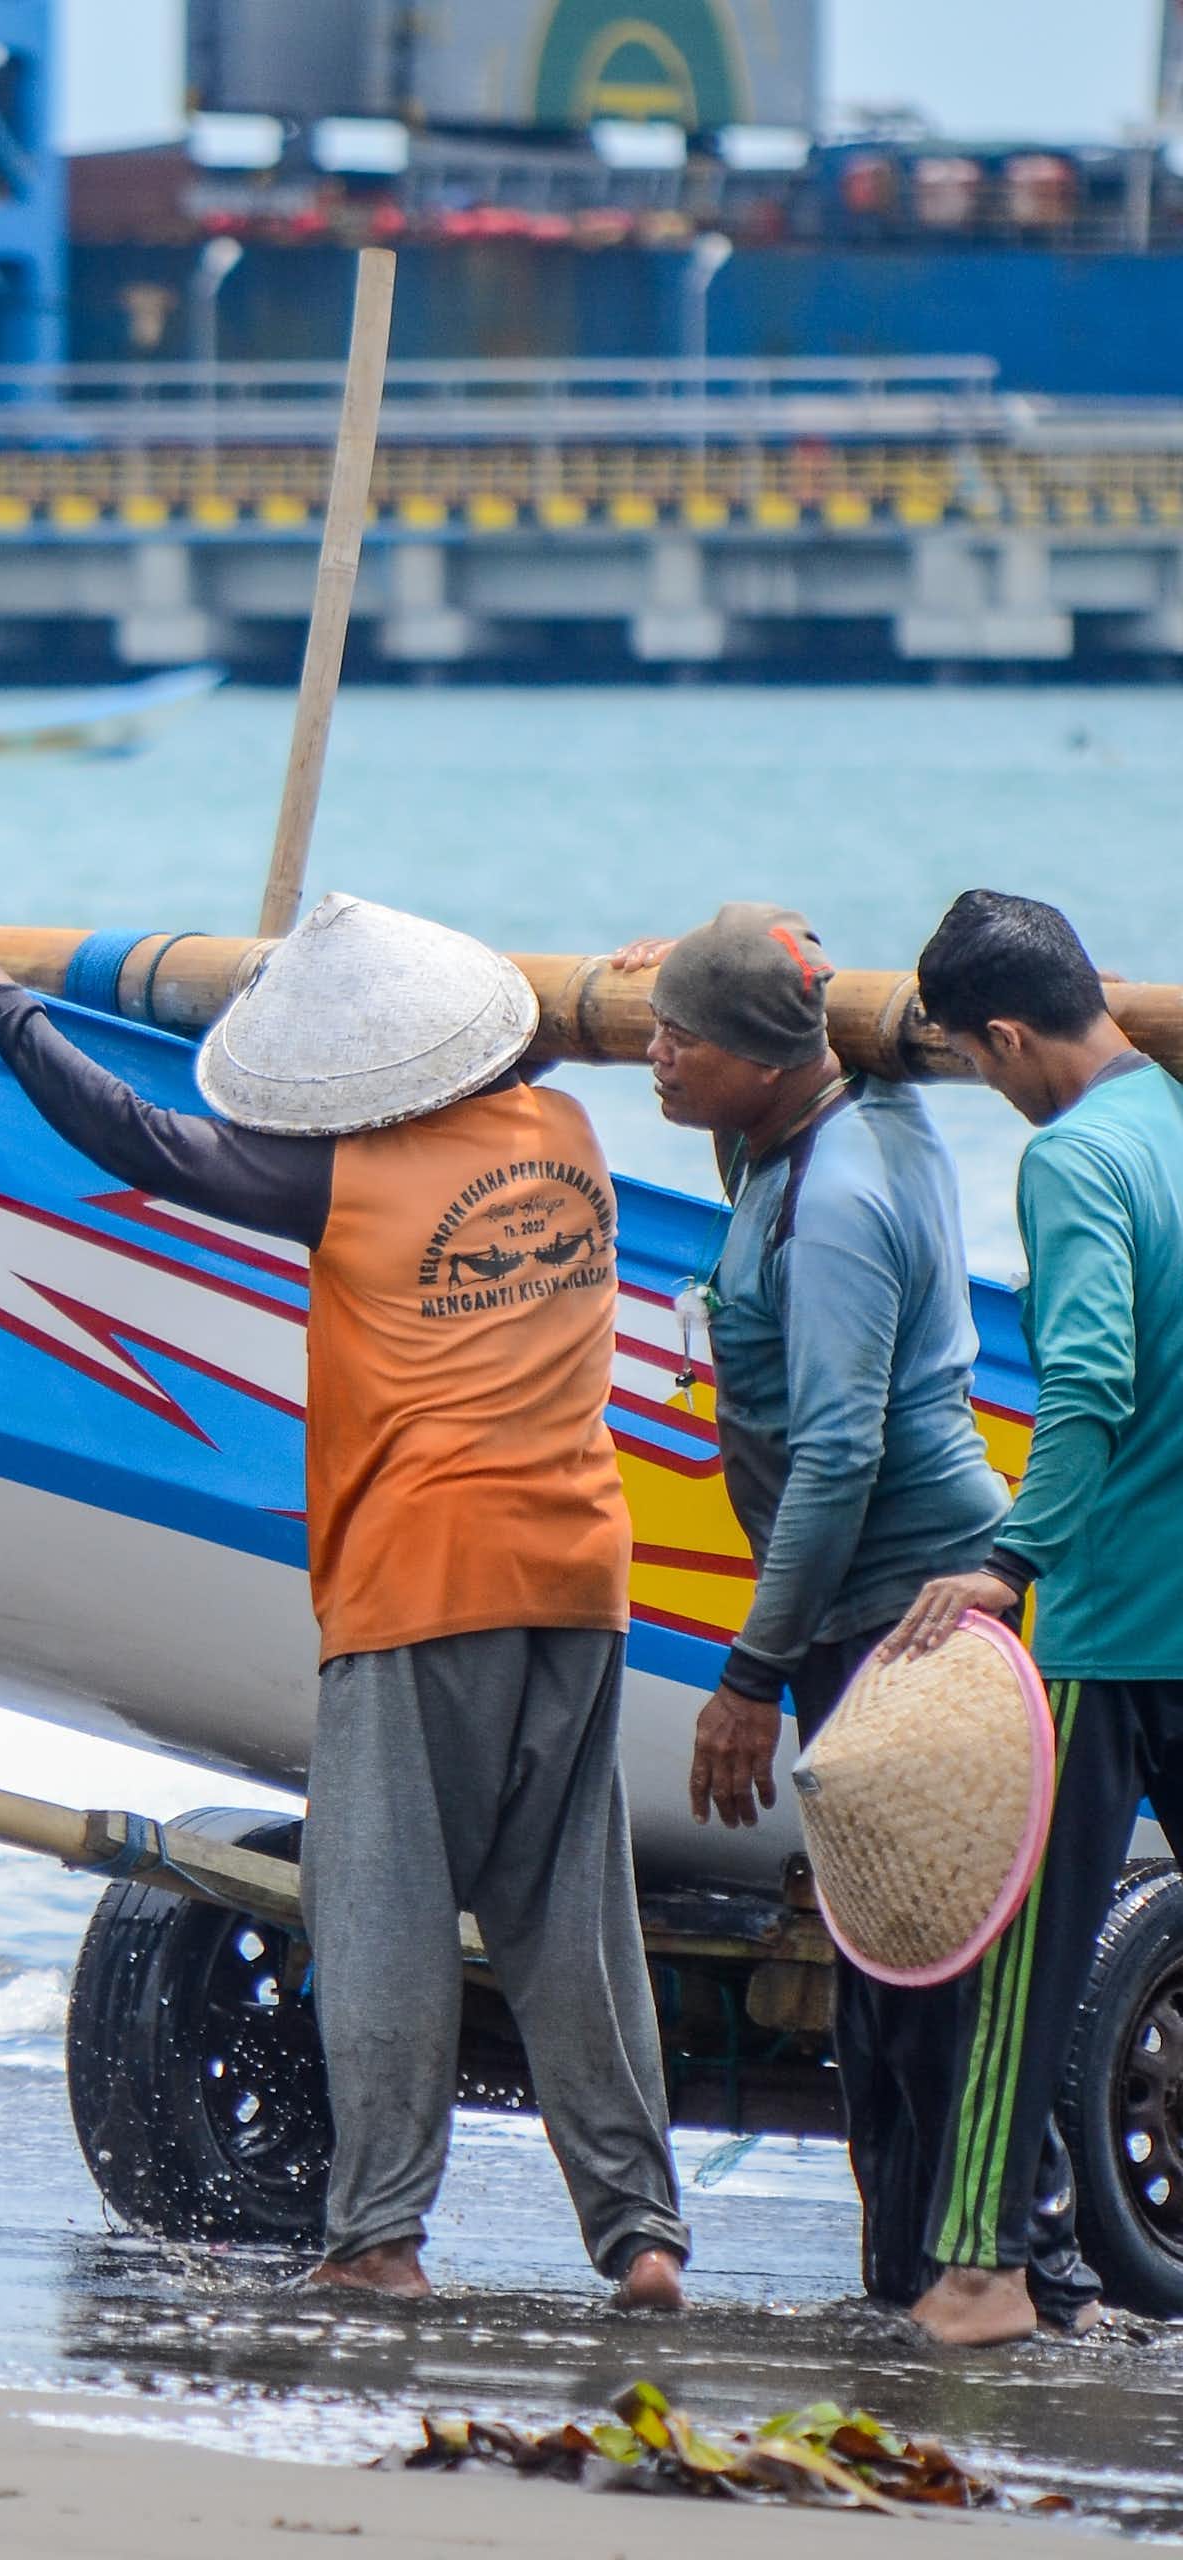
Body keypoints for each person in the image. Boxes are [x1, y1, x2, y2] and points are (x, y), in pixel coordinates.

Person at [0, 899, 689, 2308]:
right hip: (582, 1579)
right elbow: (525, 1062)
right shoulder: (566, 1144)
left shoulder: (352, 1181)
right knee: (570, 1921)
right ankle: (640, 2238)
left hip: (420, 1581)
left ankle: (380, 2239)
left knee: (381, 1914)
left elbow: (140, 1139)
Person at [617, 903, 1097, 2330]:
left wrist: (750, 1673)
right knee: (885, 1961)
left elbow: (837, 1457)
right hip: (869, 1610)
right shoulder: (828, 1120)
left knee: (929, 1961)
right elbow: (793, 1022)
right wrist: (705, 957)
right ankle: (909, 2275)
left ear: (764, 1062)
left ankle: (1034, 2271)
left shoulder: (833, 1205)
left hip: (902, 1619)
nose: (647, 1056)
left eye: (674, 1041)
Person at [882, 891, 1183, 2346]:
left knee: (1023, 1956)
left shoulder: (1074, 1162)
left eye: (981, 1063)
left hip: (1113, 1624)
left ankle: (983, 2275)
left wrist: (1013, 1559)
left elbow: (1091, 1387)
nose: (993, 1087)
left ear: (1007, 1036)